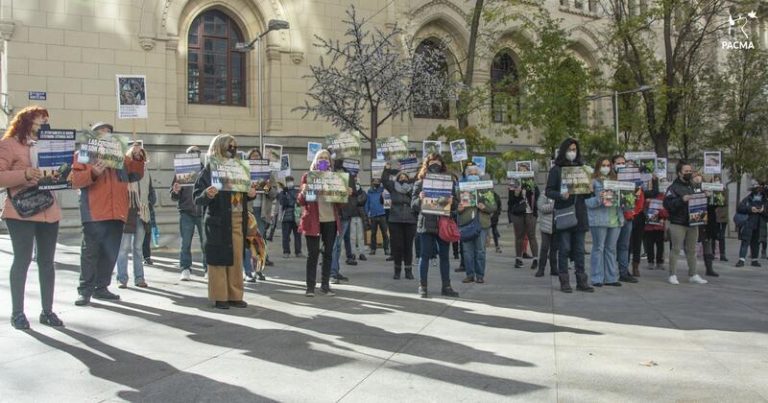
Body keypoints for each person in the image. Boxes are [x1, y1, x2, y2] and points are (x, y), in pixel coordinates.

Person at [0, 105, 64, 329]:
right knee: (22, 260)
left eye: (46, 122)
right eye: (39, 122)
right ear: (26, 122)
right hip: (21, 212)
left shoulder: (51, 145)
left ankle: (47, 311)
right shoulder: (9, 144)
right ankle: (18, 313)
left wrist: (64, 175)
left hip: (49, 210)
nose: (43, 126)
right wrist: (24, 174)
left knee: (47, 262)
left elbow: (65, 174)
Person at [72, 122, 145, 306]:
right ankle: (85, 290)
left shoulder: (121, 156)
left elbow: (135, 174)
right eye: (101, 133)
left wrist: (137, 157)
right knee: (90, 253)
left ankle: (101, 287)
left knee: (110, 252)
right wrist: (94, 172)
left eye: (109, 133)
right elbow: (76, 180)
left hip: (117, 212)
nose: (106, 135)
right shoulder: (83, 155)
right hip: (94, 212)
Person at [193, 134, 256, 309]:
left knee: (236, 259)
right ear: (220, 147)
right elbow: (197, 197)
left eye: (235, 146)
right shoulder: (208, 170)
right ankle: (220, 296)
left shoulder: (239, 169)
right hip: (218, 221)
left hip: (237, 219)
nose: (233, 149)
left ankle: (235, 295)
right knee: (218, 260)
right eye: (229, 146)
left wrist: (251, 194)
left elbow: (245, 191)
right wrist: (207, 193)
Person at [545, 138, 594, 293]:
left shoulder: (582, 168)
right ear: (564, 150)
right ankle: (564, 281)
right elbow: (548, 191)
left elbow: (586, 195)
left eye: (575, 149)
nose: (572, 152)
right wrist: (561, 195)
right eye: (570, 149)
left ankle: (581, 281)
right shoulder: (556, 170)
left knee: (580, 250)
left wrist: (590, 189)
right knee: (564, 249)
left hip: (580, 215)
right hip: (564, 214)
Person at [298, 149, 348, 296]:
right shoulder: (308, 177)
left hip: (330, 220)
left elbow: (341, 205)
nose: (323, 161)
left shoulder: (335, 178)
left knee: (328, 254)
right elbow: (301, 201)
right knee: (312, 254)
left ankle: (325, 286)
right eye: (320, 158)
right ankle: (310, 287)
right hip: (313, 220)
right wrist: (304, 192)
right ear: (315, 161)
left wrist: (344, 193)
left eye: (326, 158)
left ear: (330, 162)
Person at [411, 153, 459, 298]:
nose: (435, 164)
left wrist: (452, 201)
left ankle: (447, 286)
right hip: (426, 223)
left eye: (438, 161)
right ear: (427, 164)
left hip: (443, 223)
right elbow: (412, 205)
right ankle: (423, 286)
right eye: (432, 161)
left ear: (442, 164)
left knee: (444, 257)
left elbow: (456, 204)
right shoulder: (420, 183)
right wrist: (420, 199)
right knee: (424, 256)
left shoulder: (449, 182)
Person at [663, 161, 708, 285]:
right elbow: (667, 204)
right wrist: (682, 199)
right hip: (678, 222)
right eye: (686, 171)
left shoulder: (693, 186)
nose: (689, 173)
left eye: (690, 171)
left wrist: (705, 196)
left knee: (692, 250)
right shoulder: (673, 188)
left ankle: (693, 274)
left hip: (693, 221)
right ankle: (672, 274)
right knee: (676, 249)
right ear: (679, 173)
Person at [116, 146, 155, 288]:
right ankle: (122, 278)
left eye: (141, 153)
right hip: (127, 211)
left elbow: (151, 192)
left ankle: (139, 278)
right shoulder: (124, 170)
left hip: (142, 212)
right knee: (123, 248)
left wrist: (148, 203)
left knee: (138, 248)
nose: (138, 155)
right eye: (135, 153)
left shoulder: (147, 171)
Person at [585, 158, 623, 287]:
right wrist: (598, 199)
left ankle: (611, 278)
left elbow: (622, 202)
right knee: (598, 248)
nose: (606, 167)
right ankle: (597, 278)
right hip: (599, 220)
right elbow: (586, 202)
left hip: (615, 220)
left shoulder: (616, 180)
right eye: (603, 165)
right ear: (598, 166)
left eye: (608, 165)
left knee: (611, 249)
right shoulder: (593, 182)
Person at [170, 146, 206, 281]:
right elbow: (173, 196)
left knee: (205, 242)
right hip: (186, 212)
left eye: (195, 154)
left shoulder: (205, 172)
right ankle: (185, 268)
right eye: (190, 154)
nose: (193, 156)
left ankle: (207, 268)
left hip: (202, 211)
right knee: (185, 242)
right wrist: (176, 191)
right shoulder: (180, 173)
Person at [458, 164, 496, 284]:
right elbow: (454, 208)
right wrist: (459, 209)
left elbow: (493, 207)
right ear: (466, 175)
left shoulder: (486, 189)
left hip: (481, 224)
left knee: (480, 251)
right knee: (467, 252)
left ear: (479, 176)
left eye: (475, 174)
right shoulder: (461, 189)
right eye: (471, 174)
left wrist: (485, 207)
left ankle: (480, 275)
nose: (473, 176)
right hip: (466, 223)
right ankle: (469, 274)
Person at [243, 148, 277, 282]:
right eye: (252, 157)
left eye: (258, 157)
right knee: (248, 242)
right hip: (248, 211)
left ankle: (258, 270)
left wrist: (266, 186)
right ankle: (248, 271)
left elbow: (274, 194)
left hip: (262, 212)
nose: (255, 159)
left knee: (259, 243)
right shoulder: (243, 172)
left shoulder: (268, 173)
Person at [331, 160, 366, 283]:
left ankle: (335, 270)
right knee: (334, 245)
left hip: (345, 213)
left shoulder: (349, 176)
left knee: (338, 245)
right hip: (332, 213)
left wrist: (352, 193)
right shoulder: (328, 174)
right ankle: (332, 273)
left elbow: (355, 195)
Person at [381, 168, 417, 279]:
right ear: (397, 178)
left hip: (410, 221)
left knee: (408, 246)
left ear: (408, 179)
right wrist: (387, 169)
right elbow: (384, 180)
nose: (403, 177)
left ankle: (408, 271)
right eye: (400, 176)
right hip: (395, 220)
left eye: (405, 176)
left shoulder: (412, 188)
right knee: (398, 246)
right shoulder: (393, 187)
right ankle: (397, 271)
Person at [612, 155, 641, 284]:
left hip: (627, 215)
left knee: (624, 245)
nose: (621, 165)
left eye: (623, 163)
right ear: (613, 165)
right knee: (611, 246)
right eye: (618, 163)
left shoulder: (632, 178)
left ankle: (624, 272)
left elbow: (638, 196)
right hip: (612, 216)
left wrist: (636, 192)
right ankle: (610, 272)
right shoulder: (609, 178)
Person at [508, 164, 539, 270]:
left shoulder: (532, 184)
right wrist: (516, 194)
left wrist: (529, 191)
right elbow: (510, 201)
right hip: (518, 213)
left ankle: (535, 259)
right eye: (520, 171)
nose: (522, 173)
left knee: (532, 235)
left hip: (530, 213)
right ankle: (518, 258)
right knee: (519, 236)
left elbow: (537, 197)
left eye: (524, 171)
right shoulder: (513, 184)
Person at [736, 181, 766, 268]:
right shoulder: (748, 198)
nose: (758, 191)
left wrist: (762, 210)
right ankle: (741, 260)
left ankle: (754, 260)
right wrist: (750, 209)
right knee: (745, 241)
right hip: (748, 223)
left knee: (756, 242)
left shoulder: (765, 200)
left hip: (760, 224)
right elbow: (740, 208)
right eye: (757, 189)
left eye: (760, 189)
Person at [534, 191, 558, 277]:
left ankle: (554, 269)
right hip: (546, 226)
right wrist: (553, 206)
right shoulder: (545, 193)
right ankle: (541, 269)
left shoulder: (559, 193)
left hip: (557, 225)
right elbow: (541, 207)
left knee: (554, 249)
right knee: (544, 248)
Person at [643, 188, 668, 270]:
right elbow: (643, 210)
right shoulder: (646, 195)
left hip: (659, 226)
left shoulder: (664, 197)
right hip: (648, 226)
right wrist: (647, 203)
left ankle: (659, 262)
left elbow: (666, 211)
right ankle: (650, 261)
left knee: (660, 245)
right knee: (649, 245)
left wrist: (661, 215)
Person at [278, 176, 303, 257]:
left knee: (298, 235)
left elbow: (299, 200)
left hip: (296, 216)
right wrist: (284, 194)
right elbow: (282, 202)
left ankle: (298, 251)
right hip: (286, 216)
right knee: (285, 236)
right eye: (288, 181)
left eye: (290, 181)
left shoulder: (296, 191)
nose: (289, 182)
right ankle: (286, 251)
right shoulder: (283, 192)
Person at [366, 177, 390, 256]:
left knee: (384, 233)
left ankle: (386, 249)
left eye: (378, 181)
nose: (376, 182)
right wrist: (367, 214)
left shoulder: (383, 191)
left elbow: (387, 203)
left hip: (383, 214)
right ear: (372, 182)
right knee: (373, 233)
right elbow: (367, 204)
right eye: (374, 181)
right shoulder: (369, 192)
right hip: (373, 215)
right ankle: (373, 249)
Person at [346, 181, 368, 262]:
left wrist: (354, 197)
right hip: (351, 216)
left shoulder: (363, 193)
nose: (356, 185)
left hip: (360, 216)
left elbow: (361, 201)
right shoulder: (350, 192)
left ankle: (362, 253)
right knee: (352, 237)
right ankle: (353, 253)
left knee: (360, 236)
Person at [713, 175, 729, 261]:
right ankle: (714, 252)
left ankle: (722, 254)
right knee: (714, 235)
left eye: (718, 180)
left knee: (721, 236)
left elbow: (724, 201)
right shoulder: (711, 190)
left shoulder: (724, 190)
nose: (716, 182)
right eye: (715, 180)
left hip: (722, 216)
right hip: (714, 217)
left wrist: (717, 193)